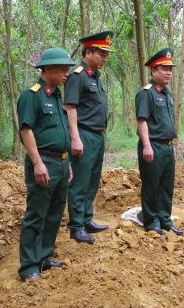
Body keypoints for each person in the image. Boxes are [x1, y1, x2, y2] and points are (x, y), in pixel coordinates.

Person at [16, 48, 75, 282]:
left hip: (60, 162)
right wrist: (37, 163)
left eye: (68, 69)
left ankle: (44, 257)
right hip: (43, 162)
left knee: (54, 213)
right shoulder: (32, 95)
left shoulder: (56, 96)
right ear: (47, 69)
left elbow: (60, 131)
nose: (66, 74)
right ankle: (29, 266)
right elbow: (26, 130)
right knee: (37, 213)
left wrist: (67, 161)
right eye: (62, 69)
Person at [64, 31, 112, 244]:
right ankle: (76, 226)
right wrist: (75, 137)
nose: (104, 58)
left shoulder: (95, 76)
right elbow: (71, 108)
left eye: (106, 54)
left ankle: (86, 219)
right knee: (80, 181)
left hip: (97, 137)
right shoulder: (78, 75)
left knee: (92, 180)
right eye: (101, 53)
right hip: (83, 134)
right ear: (89, 52)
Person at [135, 48, 183, 236]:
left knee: (166, 186)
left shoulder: (167, 94)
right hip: (152, 146)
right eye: (164, 68)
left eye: (170, 68)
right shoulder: (146, 93)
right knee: (151, 185)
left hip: (167, 147)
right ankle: (151, 221)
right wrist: (146, 145)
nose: (169, 72)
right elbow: (142, 120)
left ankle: (165, 219)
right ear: (153, 71)